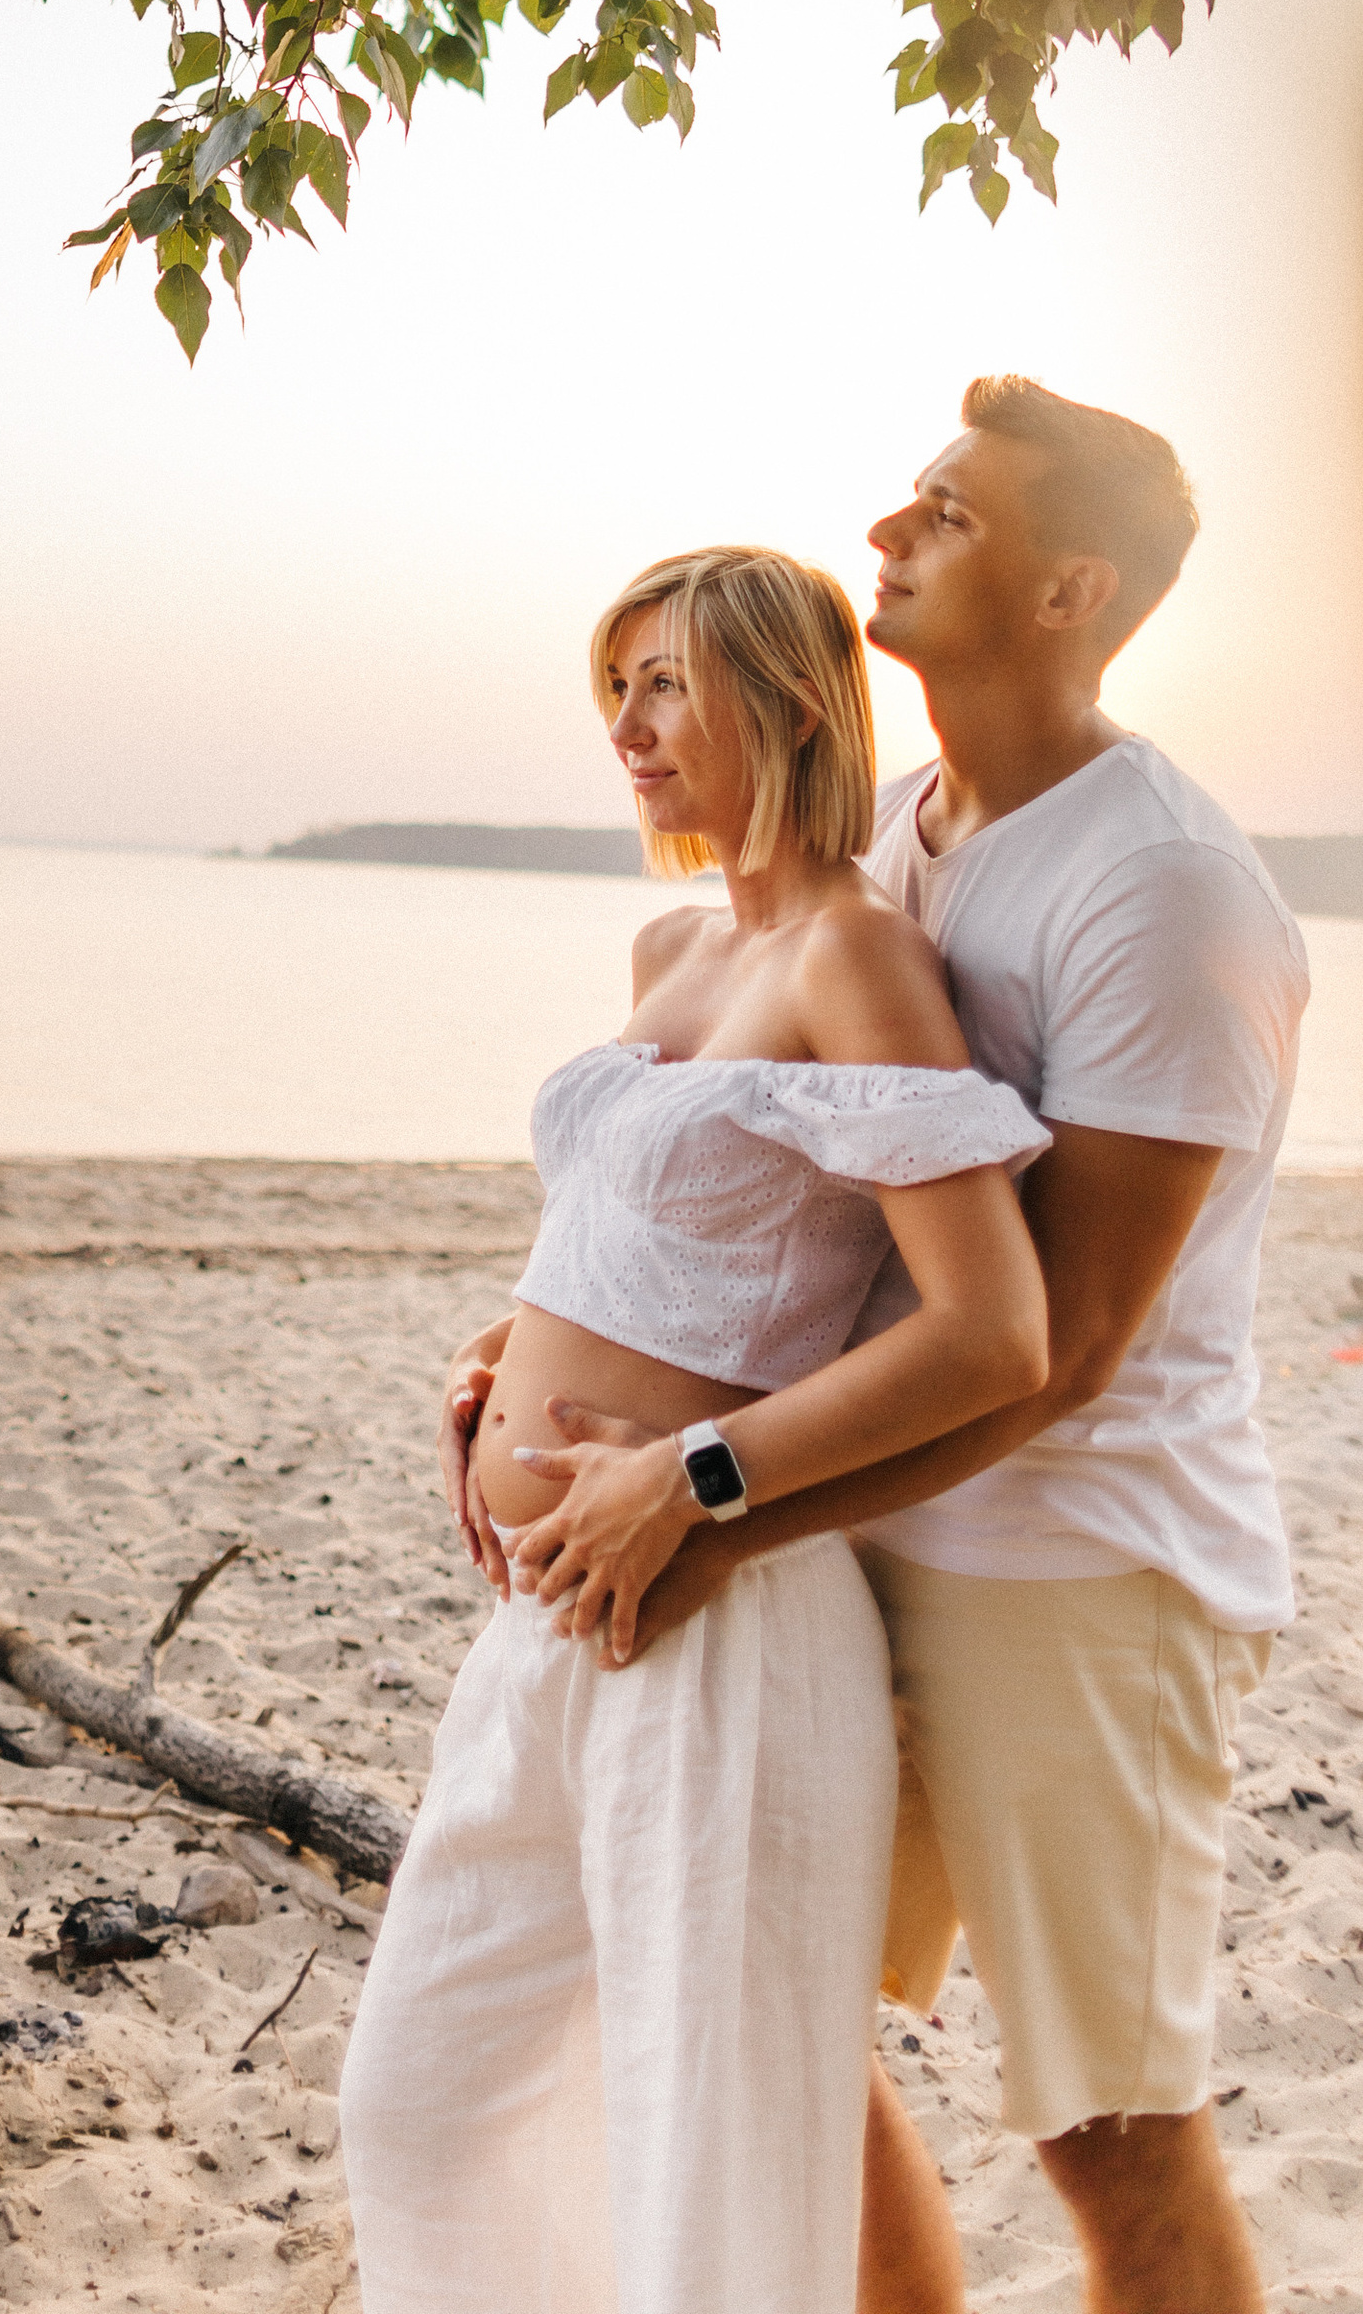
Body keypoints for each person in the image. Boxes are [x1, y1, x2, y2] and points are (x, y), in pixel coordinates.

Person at [502, 379, 1307, 2314]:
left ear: (1070, 590)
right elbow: (760, 1185)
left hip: (1076, 1578)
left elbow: (1065, 1350)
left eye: (949, 513)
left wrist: (700, 1494)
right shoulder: (887, 829)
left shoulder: (1167, 897)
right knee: (772, 2030)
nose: (891, 530)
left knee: (1108, 2128)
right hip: (847, 1534)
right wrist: (541, 1361)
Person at [341, 544, 1053, 2314]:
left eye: (667, 686)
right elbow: (664, 1231)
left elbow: (996, 1332)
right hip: (542, 1619)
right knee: (422, 2102)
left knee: (706, 2165)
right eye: (618, 688)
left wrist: (693, 1470)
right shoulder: (669, 942)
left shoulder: (862, 963)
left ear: (791, 703)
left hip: (717, 1614)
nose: (629, 728)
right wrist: (502, 1355)